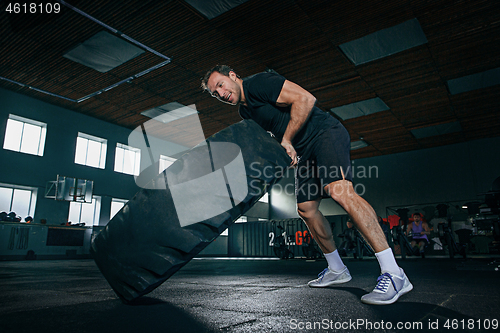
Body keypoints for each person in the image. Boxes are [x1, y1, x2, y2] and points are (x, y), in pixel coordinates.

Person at [201, 65, 412, 305]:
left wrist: (288, 139)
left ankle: (394, 273)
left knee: (339, 191)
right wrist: (284, 151)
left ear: (233, 76)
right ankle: (337, 269)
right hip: (304, 152)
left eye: (220, 85)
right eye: (214, 94)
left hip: (324, 134)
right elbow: (274, 136)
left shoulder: (258, 83)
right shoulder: (246, 112)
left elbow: (305, 98)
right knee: (306, 209)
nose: (220, 93)